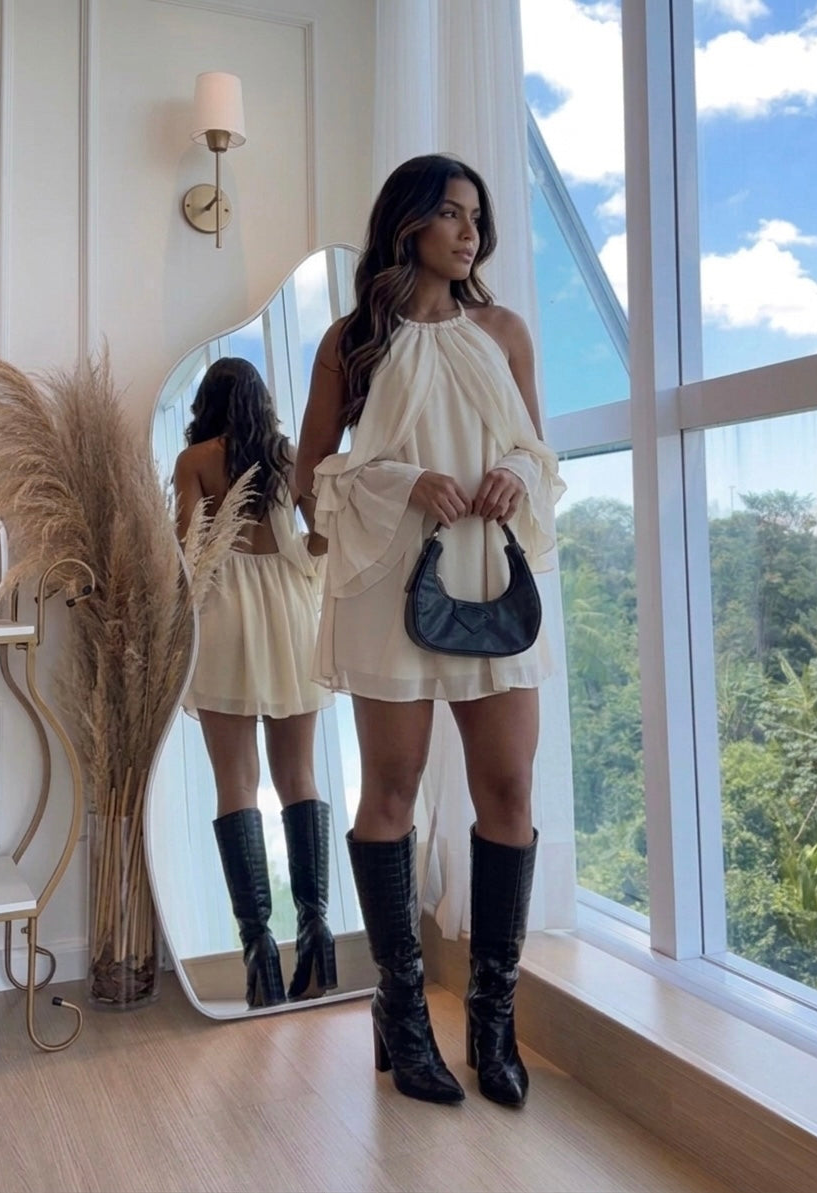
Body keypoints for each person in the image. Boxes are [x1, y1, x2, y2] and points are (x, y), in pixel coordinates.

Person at [295, 154, 565, 1106]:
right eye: (451, 213)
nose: (470, 231)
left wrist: (516, 476)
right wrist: (405, 481)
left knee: (509, 787)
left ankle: (494, 1019)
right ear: (407, 222)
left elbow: (537, 450)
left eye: (476, 216)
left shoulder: (504, 332)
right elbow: (310, 480)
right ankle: (403, 1013)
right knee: (392, 789)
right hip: (388, 584)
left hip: (489, 572)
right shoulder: (351, 341)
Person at [174, 357, 337, 1009]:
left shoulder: (195, 461)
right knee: (300, 777)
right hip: (289, 608)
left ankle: (259, 953)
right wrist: (295, 562)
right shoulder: (287, 456)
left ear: (207, 403)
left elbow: (187, 552)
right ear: (263, 402)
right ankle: (318, 936)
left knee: (236, 783)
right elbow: (324, 535)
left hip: (225, 612)